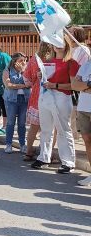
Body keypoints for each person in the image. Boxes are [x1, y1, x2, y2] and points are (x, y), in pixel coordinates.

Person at [31, 41, 80, 174]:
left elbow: (74, 85)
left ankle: (68, 162)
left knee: (63, 129)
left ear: (67, 45)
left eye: (61, 42)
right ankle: (44, 157)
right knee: (46, 129)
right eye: (55, 42)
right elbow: (43, 80)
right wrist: (40, 76)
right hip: (46, 96)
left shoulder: (71, 62)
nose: (57, 45)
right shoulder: (47, 61)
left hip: (62, 97)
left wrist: (55, 85)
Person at [23, 42, 54, 162]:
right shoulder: (55, 59)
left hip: (37, 93)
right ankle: (47, 152)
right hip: (53, 93)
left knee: (34, 127)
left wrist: (34, 82)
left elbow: (26, 79)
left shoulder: (34, 59)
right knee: (51, 128)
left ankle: (29, 151)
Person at [2, 53, 31, 154]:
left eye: (25, 60)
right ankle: (8, 144)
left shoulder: (26, 70)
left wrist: (22, 71)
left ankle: (22, 145)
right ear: (15, 62)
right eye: (21, 60)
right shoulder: (8, 70)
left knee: (22, 123)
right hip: (11, 100)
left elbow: (30, 83)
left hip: (24, 99)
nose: (24, 62)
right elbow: (8, 85)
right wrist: (23, 85)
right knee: (10, 123)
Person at [71, 49, 91, 186]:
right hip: (83, 108)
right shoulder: (86, 65)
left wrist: (83, 86)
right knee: (87, 141)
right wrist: (88, 85)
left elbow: (79, 85)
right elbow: (74, 85)